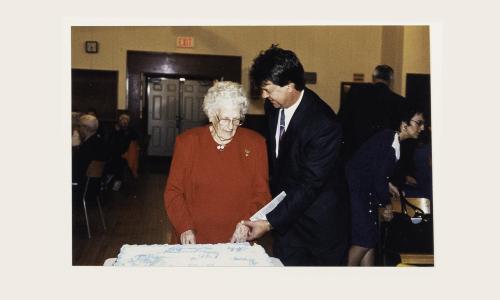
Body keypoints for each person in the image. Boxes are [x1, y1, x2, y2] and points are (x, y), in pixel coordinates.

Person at [243, 45, 348, 266]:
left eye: (268, 89)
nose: (263, 95)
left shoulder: (323, 124)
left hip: (319, 228)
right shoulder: (273, 106)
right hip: (287, 223)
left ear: (290, 86)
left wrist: (269, 222)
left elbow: (309, 184)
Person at [163, 81, 271, 244]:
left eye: (236, 119)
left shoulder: (255, 143)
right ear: (212, 115)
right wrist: (184, 227)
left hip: (236, 240)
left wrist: (247, 224)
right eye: (225, 119)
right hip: (193, 238)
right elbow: (173, 191)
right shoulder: (188, 142)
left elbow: (262, 194)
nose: (231, 127)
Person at [345, 104, 425, 266]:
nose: (422, 128)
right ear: (404, 124)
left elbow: (373, 169)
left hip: (361, 194)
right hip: (358, 195)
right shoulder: (388, 139)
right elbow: (377, 175)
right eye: (419, 123)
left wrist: (389, 185)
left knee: (368, 241)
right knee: (364, 242)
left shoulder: (390, 140)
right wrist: (386, 204)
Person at [338, 64, 405, 161]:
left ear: (374, 77)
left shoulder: (356, 93)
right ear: (391, 80)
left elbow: (342, 121)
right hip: (382, 154)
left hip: (356, 150)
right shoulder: (399, 102)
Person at [72, 114, 106, 192]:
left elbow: (76, 168)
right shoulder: (100, 141)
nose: (78, 129)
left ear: (85, 128)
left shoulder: (87, 146)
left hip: (82, 185)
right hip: (95, 184)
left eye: (79, 126)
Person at [105, 113, 139, 190]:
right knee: (111, 158)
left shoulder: (131, 130)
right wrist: (116, 131)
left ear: (128, 122)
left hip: (126, 153)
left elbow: (133, 139)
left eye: (126, 120)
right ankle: (111, 178)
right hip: (114, 151)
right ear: (119, 122)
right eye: (122, 120)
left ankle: (116, 180)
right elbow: (110, 140)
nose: (124, 122)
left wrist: (120, 132)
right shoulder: (115, 129)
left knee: (118, 161)